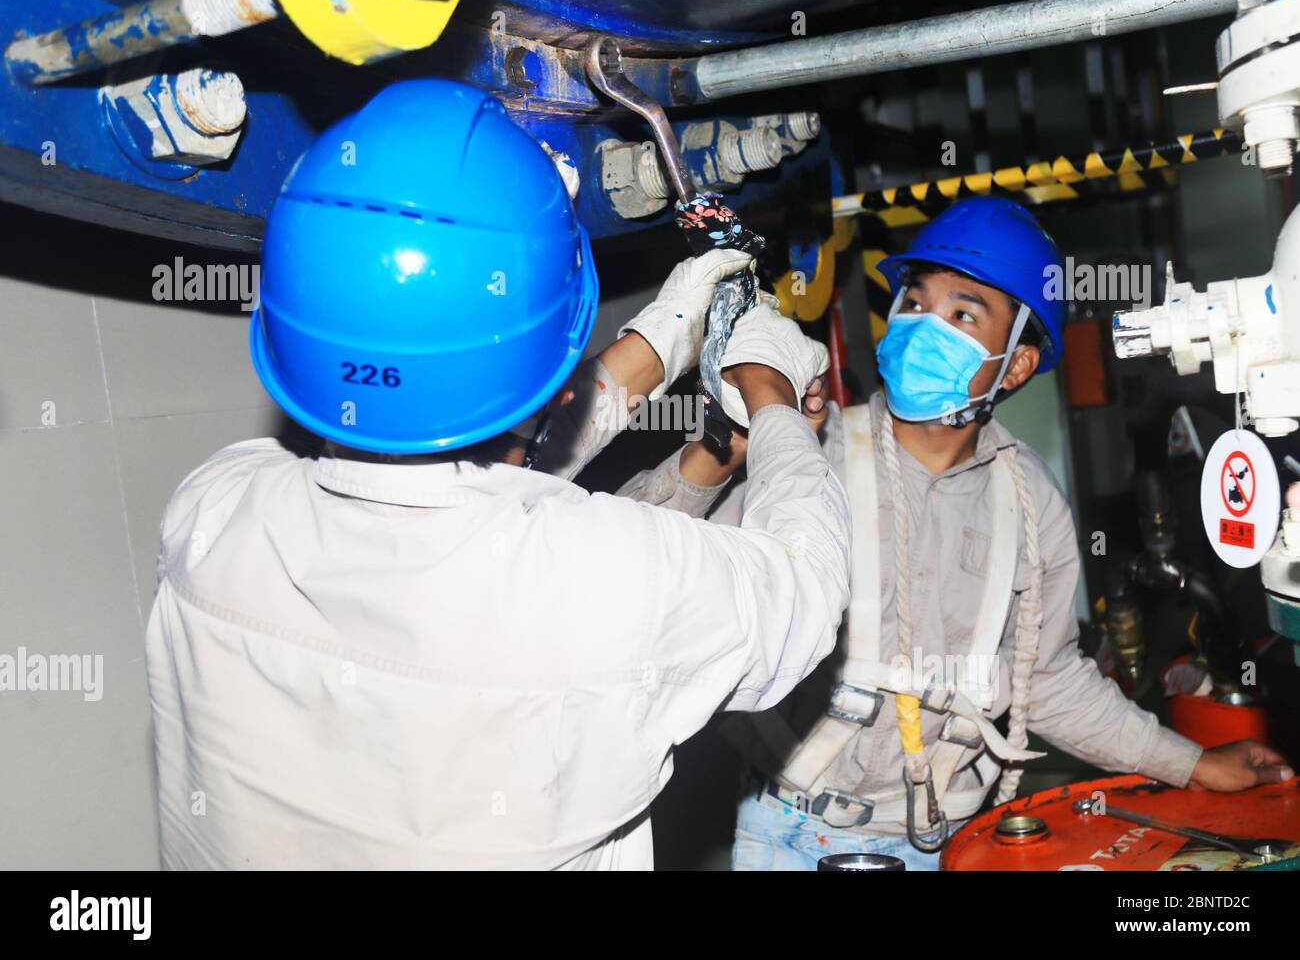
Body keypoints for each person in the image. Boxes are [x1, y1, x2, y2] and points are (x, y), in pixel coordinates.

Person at [144, 79, 850, 870]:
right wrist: (774, 393)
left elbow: (454, 471)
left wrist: (673, 330)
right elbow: (805, 590)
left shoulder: (212, 507)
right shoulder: (614, 580)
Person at [617, 197, 1295, 871]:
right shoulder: (806, 453)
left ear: (1019, 365)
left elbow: (1049, 681)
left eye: (963, 313)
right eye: (915, 302)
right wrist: (718, 450)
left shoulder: (1029, 504)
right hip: (786, 833)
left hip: (945, 843)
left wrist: (1193, 763)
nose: (922, 326)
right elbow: (634, 564)